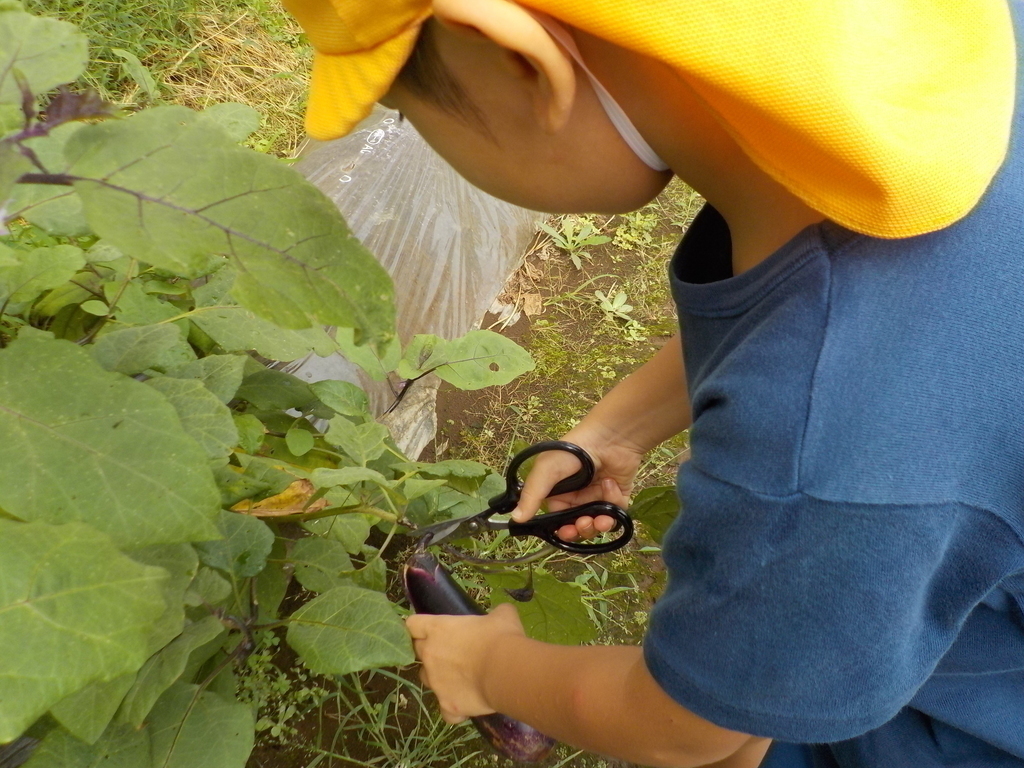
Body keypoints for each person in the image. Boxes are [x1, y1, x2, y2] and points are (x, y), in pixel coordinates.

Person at [281, 0, 1024, 765]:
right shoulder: (952, 66)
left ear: (520, 61)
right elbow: (819, 304)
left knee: (748, 729)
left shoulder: (824, 458)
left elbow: (683, 728)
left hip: (978, 721)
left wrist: (486, 666)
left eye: (408, 110)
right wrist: (618, 431)